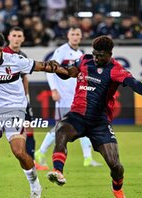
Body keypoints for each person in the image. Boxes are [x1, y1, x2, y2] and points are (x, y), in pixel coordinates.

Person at [0, 31, 71, 198]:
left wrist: (65, 71)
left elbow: (43, 66)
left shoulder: (16, 61)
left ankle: (35, 187)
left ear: (1, 50)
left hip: (15, 111)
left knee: (19, 151)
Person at [47, 35, 142, 198]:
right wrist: (56, 69)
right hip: (77, 116)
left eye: (100, 55)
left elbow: (133, 82)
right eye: (94, 54)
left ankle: (117, 189)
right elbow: (68, 73)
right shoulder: (84, 60)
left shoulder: (115, 69)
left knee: (115, 165)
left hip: (99, 123)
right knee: (61, 129)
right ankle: (58, 171)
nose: (96, 58)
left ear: (109, 54)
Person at [34, 27, 102, 169]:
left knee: (84, 125)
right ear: (68, 36)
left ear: (81, 36)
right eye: (73, 34)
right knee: (61, 127)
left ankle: (88, 158)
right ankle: (40, 152)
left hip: (77, 96)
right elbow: (50, 70)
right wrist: (54, 89)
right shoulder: (61, 51)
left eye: (78, 34)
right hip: (63, 96)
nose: (75, 37)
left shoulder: (81, 54)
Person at [1, 26, 48, 170]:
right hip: (3, 100)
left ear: (23, 39)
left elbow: (24, 78)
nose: (16, 38)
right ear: (9, 37)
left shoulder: (22, 56)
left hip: (21, 100)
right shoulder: (2, 54)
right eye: (13, 35)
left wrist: (26, 97)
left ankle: (32, 162)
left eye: (18, 36)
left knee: (29, 128)